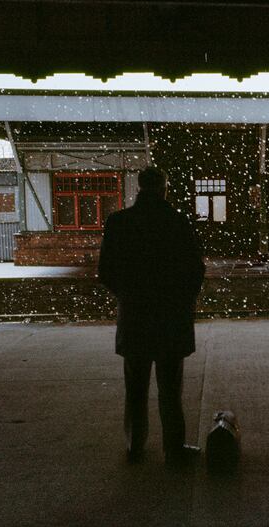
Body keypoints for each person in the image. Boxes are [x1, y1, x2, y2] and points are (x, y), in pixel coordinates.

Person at [98, 166, 205, 467]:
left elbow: (106, 271)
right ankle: (174, 449)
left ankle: (135, 446)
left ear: (139, 188)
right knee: (170, 390)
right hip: (170, 318)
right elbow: (195, 269)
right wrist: (181, 300)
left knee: (135, 387)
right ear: (164, 188)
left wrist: (129, 295)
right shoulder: (177, 222)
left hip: (135, 317)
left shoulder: (119, 223)